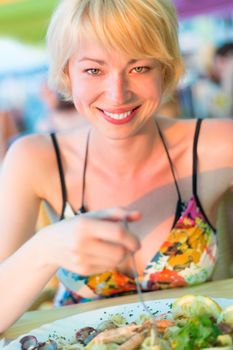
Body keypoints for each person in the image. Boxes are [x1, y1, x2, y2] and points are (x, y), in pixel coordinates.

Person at [0, 0, 233, 332]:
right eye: (94, 70)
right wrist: (46, 248)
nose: (117, 93)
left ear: (165, 70)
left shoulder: (218, 145)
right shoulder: (34, 158)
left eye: (139, 67)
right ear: (67, 72)